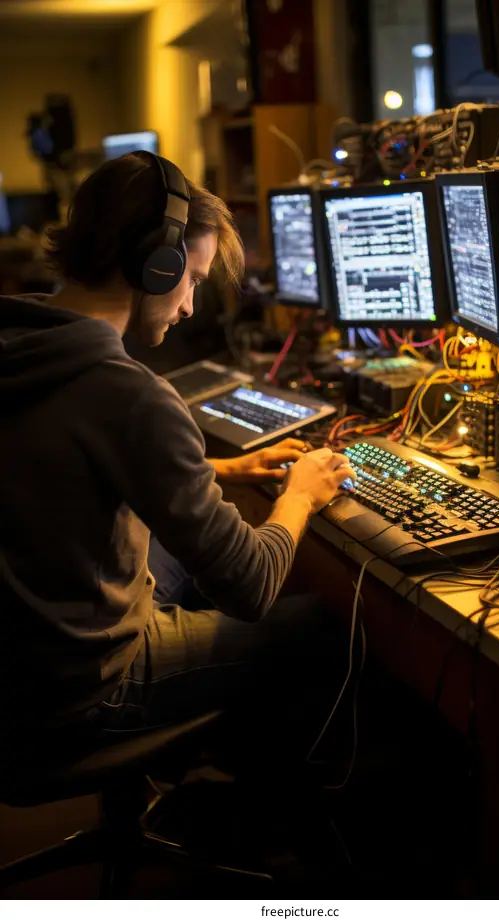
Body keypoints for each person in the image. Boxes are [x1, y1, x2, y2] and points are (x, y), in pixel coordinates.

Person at [0, 152, 355, 770]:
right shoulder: (127, 392)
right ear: (156, 265)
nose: (192, 305)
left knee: (180, 556)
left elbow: (66, 470)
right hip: (80, 690)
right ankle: (263, 824)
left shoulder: (21, 340)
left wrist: (223, 471)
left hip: (17, 662)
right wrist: (301, 492)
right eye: (192, 278)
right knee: (326, 628)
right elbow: (251, 586)